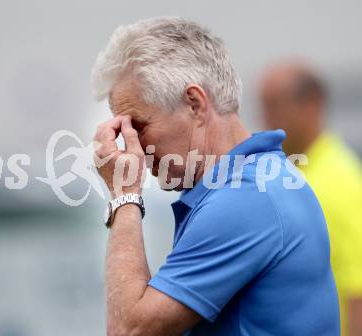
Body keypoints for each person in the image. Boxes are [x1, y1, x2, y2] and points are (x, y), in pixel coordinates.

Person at [91, 17, 340, 335]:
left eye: (137, 127)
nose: (131, 146)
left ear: (195, 104)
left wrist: (124, 196)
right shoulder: (258, 181)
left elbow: (129, 330)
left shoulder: (245, 199)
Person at [259, 61, 362, 336]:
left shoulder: (338, 179)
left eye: (275, 106)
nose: (266, 119)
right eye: (264, 106)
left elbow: (358, 288)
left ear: (312, 104)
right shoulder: (296, 171)